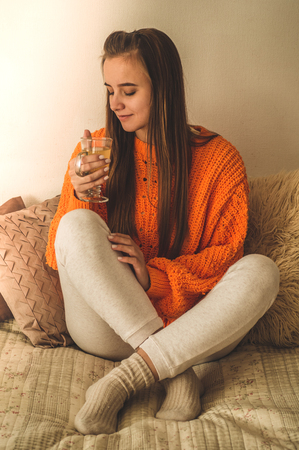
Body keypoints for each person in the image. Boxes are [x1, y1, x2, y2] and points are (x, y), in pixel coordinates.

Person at [46, 28, 279, 435]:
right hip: (110, 329)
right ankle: (177, 375)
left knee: (262, 271)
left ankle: (124, 379)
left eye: (129, 90)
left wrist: (154, 277)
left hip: (194, 328)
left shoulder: (220, 160)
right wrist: (81, 194)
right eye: (109, 90)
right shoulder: (96, 152)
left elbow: (225, 258)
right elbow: (61, 255)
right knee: (75, 223)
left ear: (164, 88)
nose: (115, 104)